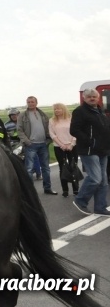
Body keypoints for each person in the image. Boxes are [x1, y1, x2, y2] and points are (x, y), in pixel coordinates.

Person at [70, 88, 110, 216]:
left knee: (103, 181)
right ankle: (80, 200)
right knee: (95, 178)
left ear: (98, 97)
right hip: (89, 150)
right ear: (85, 98)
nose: (92, 98)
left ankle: (100, 207)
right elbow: (74, 130)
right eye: (89, 97)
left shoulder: (100, 111)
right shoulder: (80, 111)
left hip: (103, 150)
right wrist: (89, 141)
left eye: (94, 96)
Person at [17, 96, 56, 195]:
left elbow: (49, 127)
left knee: (46, 168)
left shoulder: (42, 114)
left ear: (36, 103)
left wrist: (48, 140)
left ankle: (47, 188)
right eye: (29, 102)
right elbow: (19, 130)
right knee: (29, 169)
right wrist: (27, 141)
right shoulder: (23, 115)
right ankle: (31, 192)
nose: (30, 104)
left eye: (32, 102)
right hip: (30, 145)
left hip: (43, 144)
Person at [49, 103, 80, 198]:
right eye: (55, 109)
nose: (57, 111)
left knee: (73, 166)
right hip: (59, 147)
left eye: (59, 109)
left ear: (63, 109)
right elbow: (52, 134)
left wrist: (72, 144)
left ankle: (75, 189)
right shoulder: (52, 121)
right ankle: (65, 190)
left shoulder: (71, 118)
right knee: (62, 168)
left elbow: (76, 132)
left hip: (72, 146)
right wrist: (61, 144)